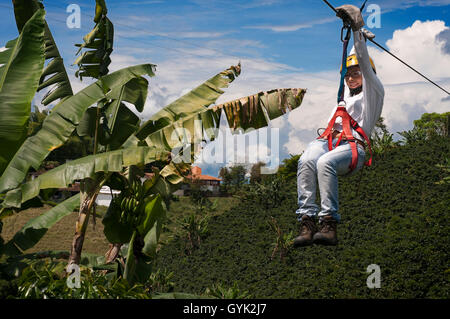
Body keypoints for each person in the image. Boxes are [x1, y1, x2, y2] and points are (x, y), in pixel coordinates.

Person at [293, 5, 385, 247]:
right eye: (348, 75)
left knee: (324, 163)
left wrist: (357, 29)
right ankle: (307, 220)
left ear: (368, 76)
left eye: (356, 74)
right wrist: (353, 35)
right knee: (306, 161)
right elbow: (349, 63)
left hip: (352, 148)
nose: (351, 78)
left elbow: (363, 64)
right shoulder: (344, 95)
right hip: (329, 142)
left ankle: (329, 222)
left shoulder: (373, 94)